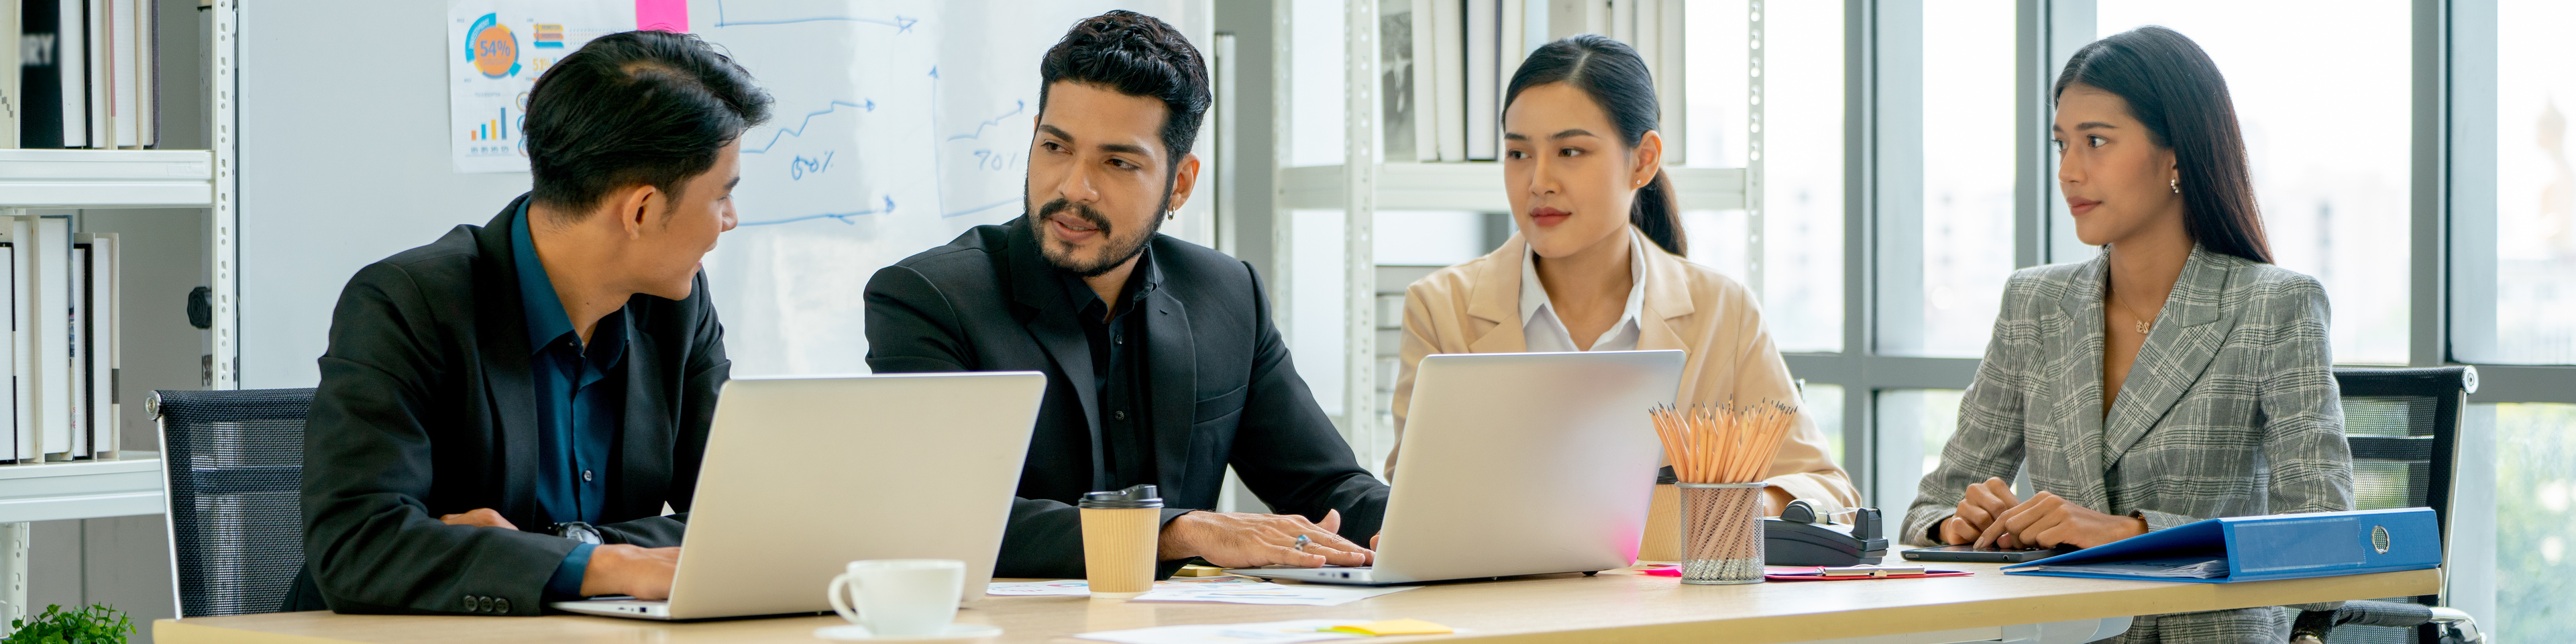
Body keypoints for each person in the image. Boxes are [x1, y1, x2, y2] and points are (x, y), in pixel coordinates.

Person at [863, 11, 1386, 580]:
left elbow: (1328, 486)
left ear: (1179, 183)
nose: (1073, 188)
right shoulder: (927, 299)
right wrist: (1177, 530)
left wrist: (1423, 525)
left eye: (1117, 162)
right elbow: (948, 518)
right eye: (1056, 147)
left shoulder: (1229, 294)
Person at [294, 30, 771, 615]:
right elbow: (356, 547)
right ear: (641, 210)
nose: (731, 219)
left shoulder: (676, 306)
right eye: (722, 196)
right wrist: (607, 566)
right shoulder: (408, 304)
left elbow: (749, 525)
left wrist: (574, 552)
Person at [1902, 26, 2351, 643]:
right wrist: (1958, 523)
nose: (2068, 171)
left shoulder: (2275, 307)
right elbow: (1924, 514)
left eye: (2096, 142)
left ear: (2176, 156)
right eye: (2062, 143)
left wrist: (2134, 534)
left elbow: (2325, 533)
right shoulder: (2034, 304)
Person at [1385, 35, 1858, 514]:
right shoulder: (1439, 308)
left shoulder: (1724, 311)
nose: (1539, 181)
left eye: (1570, 152)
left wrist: (1733, 510)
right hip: (1498, 589)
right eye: (1519, 154)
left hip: (1667, 588)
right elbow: (1416, 497)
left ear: (1643, 160)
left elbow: (1826, 488)